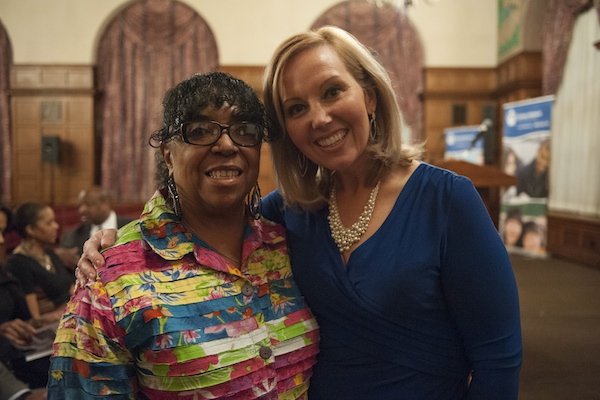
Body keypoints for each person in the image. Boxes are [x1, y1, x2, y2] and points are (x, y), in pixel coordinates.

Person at [78, 27, 522, 399]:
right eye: (296, 108)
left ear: (368, 96)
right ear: (285, 130)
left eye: (333, 91)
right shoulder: (288, 213)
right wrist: (113, 241)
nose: (320, 117)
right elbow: (200, 221)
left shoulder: (447, 200)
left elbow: (498, 359)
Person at [48, 72, 319, 399]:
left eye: (244, 130)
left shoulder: (289, 244)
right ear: (168, 154)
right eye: (200, 131)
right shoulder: (109, 280)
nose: (226, 144)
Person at [1, 203, 51, 395]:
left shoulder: (3, 272)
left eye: (3, 232)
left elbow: (24, 317)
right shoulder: (18, 262)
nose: (1, 240)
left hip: (22, 356)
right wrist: (21, 394)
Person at [6, 203, 74, 321]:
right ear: (31, 229)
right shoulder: (18, 263)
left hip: (73, 315)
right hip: (52, 328)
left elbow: (73, 290)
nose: (56, 226)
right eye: (49, 223)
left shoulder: (49, 253)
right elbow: (35, 319)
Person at [60, 186, 133, 258]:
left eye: (88, 204)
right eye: (80, 205)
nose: (82, 210)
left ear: (106, 204)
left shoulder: (132, 227)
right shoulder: (71, 237)